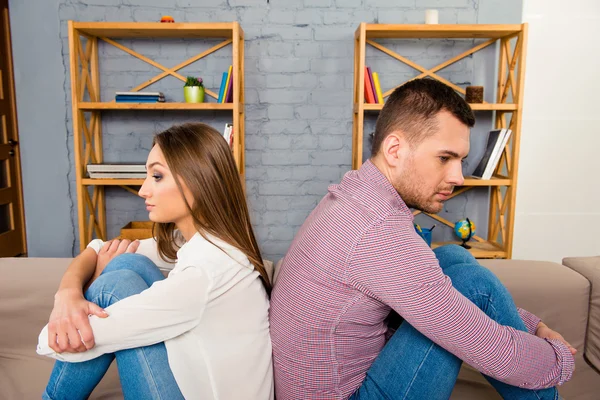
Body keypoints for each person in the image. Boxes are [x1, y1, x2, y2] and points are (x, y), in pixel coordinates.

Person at [269, 79, 575, 400]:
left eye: (460, 160)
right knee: (472, 282)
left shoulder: (355, 193)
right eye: (445, 158)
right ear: (395, 150)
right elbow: (493, 348)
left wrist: (532, 326)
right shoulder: (380, 230)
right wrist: (559, 356)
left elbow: (430, 292)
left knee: (453, 259)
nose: (458, 176)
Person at [37, 122, 274, 400]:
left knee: (114, 284)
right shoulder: (206, 242)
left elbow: (55, 341)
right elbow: (98, 248)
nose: (143, 190)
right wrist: (66, 294)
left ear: (199, 180)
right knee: (128, 266)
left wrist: (74, 306)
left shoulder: (205, 272)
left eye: (157, 176)